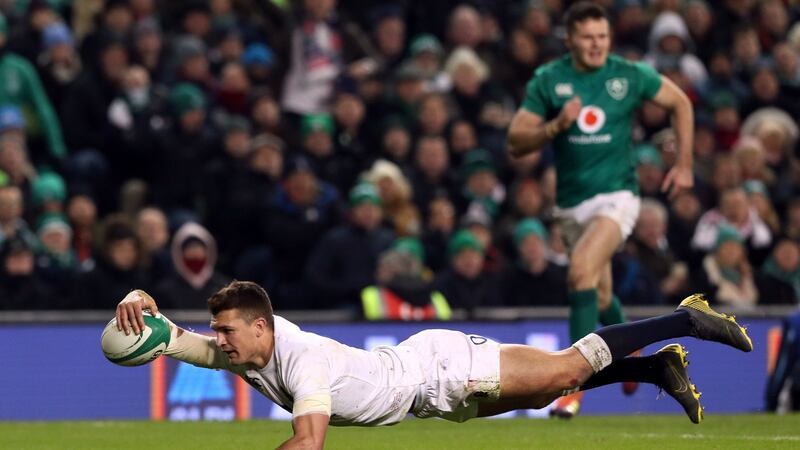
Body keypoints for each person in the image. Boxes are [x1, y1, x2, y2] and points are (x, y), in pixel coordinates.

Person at [115, 282, 752, 448]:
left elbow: (308, 443)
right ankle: (656, 367)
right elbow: (173, 338)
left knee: (562, 372)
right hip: (426, 395)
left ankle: (686, 318)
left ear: (258, 326)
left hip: (438, 368)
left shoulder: (301, 361)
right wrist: (139, 301)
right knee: (541, 397)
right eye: (218, 333)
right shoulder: (246, 347)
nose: (217, 342)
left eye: (225, 331)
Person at [506, 1, 695, 418]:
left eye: (602, 37)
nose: (596, 45)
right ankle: (634, 347)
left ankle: (573, 385)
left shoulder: (627, 75)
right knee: (601, 291)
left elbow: (680, 102)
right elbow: (516, 141)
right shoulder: (550, 79)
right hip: (572, 205)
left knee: (580, 271)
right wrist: (555, 126)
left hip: (618, 197)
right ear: (570, 39)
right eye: (588, 37)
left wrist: (683, 165)